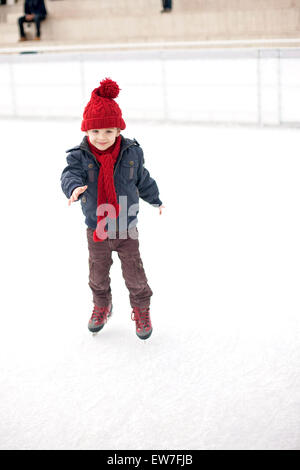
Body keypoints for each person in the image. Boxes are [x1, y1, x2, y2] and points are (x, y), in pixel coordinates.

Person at [60, 78, 165, 341]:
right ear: (86, 132)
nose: (101, 137)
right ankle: (102, 306)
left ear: (118, 130)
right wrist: (73, 188)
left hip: (127, 227)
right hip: (96, 228)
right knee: (97, 273)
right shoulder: (79, 156)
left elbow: (142, 178)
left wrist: (155, 199)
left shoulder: (131, 153)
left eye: (108, 131)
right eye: (95, 132)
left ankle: (141, 310)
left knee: (135, 274)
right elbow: (69, 175)